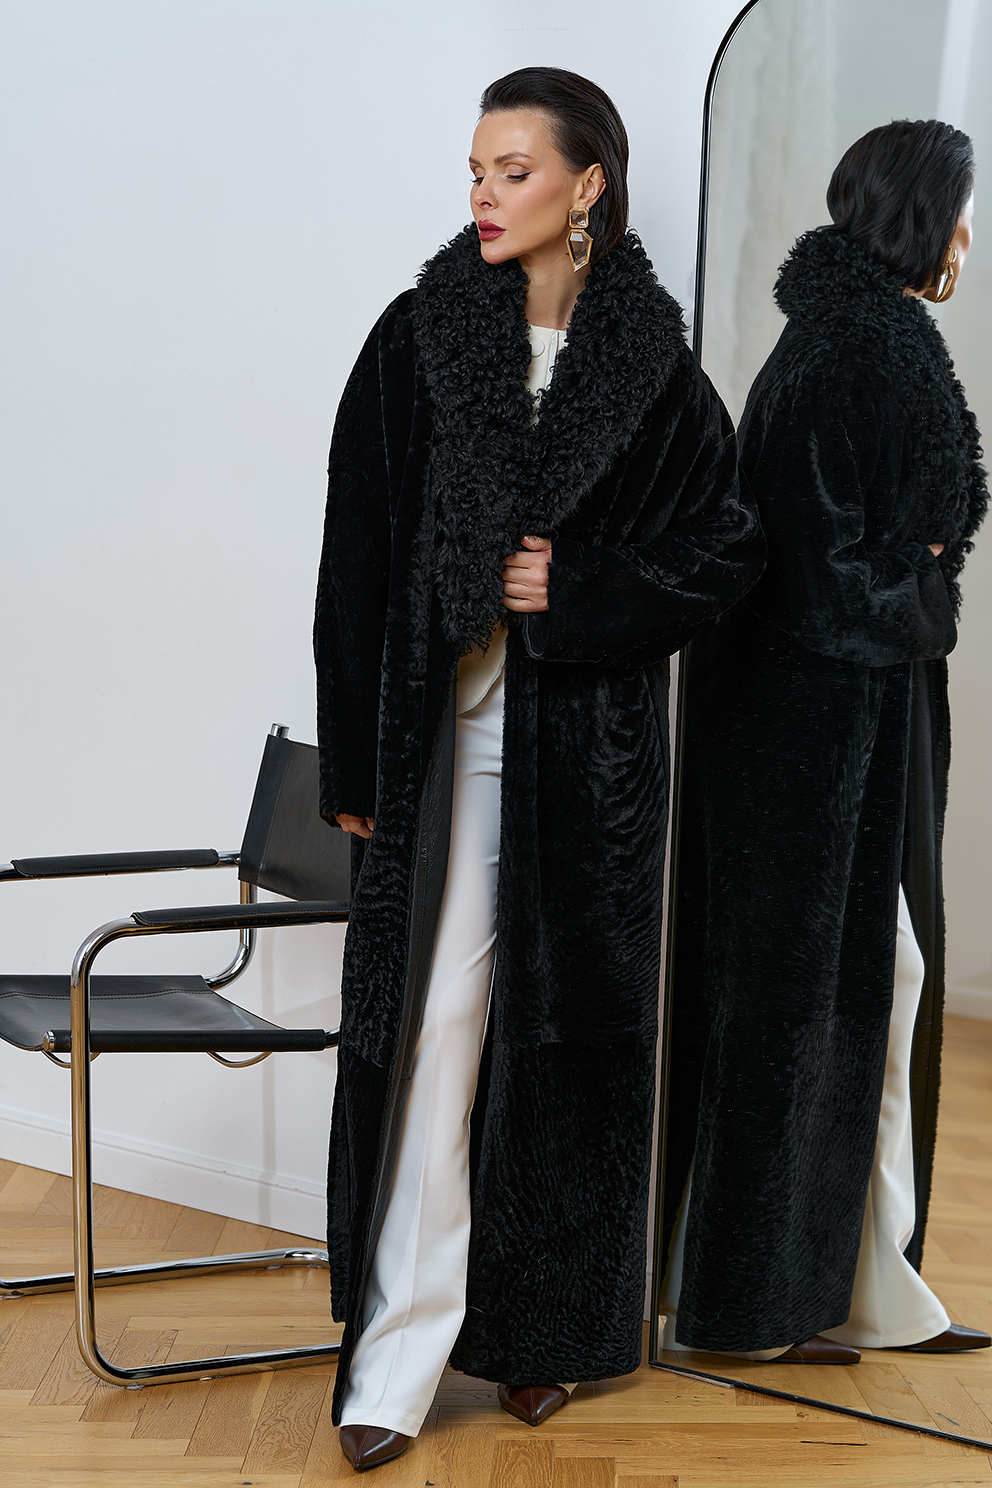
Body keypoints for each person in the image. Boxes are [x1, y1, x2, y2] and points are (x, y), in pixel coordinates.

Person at [314, 66, 764, 1471]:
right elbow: (353, 551)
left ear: (588, 186)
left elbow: (725, 551)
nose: (484, 195)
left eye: (513, 170)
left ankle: (545, 1332)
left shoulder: (656, 373)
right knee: (438, 1030)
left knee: (573, 1050)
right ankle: (396, 1356)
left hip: (593, 768)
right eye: (475, 170)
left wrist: (579, 587)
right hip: (442, 747)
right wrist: (354, 756)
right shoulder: (420, 339)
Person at [660, 119, 989, 1364]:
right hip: (805, 735)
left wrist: (917, 565)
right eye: (960, 207)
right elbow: (815, 571)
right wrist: (921, 581)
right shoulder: (850, 348)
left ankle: (863, 1287)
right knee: (803, 1009)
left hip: (842, 724)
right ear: (922, 214)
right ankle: (751, 1304)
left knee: (861, 996)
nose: (968, 233)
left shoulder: (860, 335)